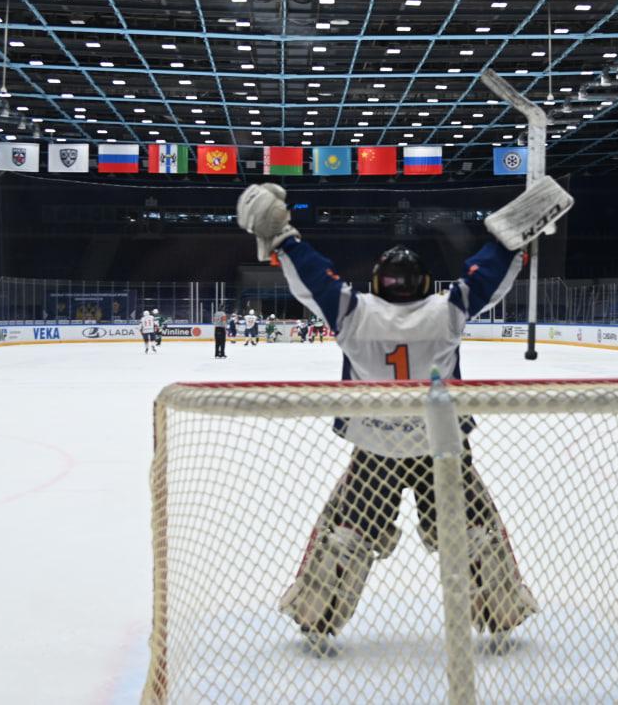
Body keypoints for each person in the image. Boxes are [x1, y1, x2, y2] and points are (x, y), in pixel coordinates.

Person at [236, 177, 573, 645]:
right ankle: (501, 614)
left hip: (375, 448)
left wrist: (284, 238)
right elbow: (489, 279)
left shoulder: (353, 313)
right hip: (444, 449)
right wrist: (510, 244)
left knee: (347, 533)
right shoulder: (447, 311)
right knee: (474, 531)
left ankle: (317, 617)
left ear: (377, 283)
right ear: (424, 283)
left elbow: (312, 278)